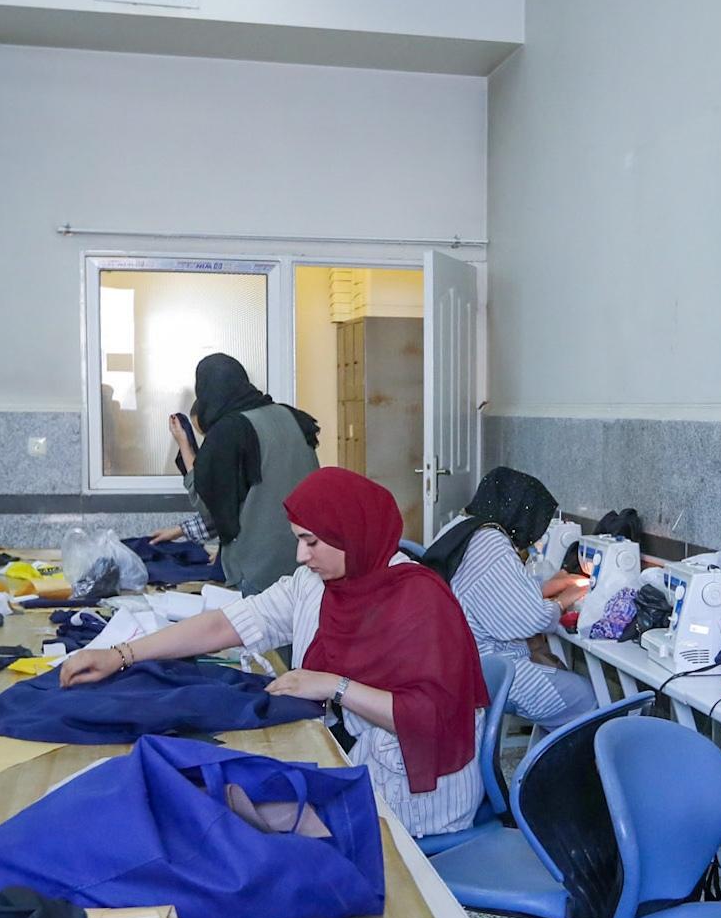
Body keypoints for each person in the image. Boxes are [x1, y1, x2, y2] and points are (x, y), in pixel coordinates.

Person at [59, 466, 488, 836]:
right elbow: (225, 624)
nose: (301, 555)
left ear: (349, 533)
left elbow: (430, 717)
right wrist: (121, 655)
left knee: (229, 823)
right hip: (352, 756)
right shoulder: (319, 585)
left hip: (417, 791)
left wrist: (334, 685)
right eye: (299, 540)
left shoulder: (419, 600)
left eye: (312, 541)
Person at [415, 466, 596, 727]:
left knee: (560, 680)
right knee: (585, 697)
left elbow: (490, 594)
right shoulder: (491, 543)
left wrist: (546, 586)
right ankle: (565, 752)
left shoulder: (461, 527)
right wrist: (565, 598)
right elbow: (530, 620)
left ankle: (551, 748)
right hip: (488, 669)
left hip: (453, 661)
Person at [138, 354, 320, 594]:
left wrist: (184, 445)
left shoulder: (231, 430)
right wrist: (182, 531)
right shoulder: (292, 417)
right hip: (308, 561)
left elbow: (210, 505)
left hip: (260, 572)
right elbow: (258, 498)